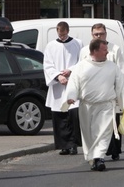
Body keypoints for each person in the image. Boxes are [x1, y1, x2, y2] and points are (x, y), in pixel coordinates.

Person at [66, 39, 124, 172]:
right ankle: (92, 158)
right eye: (104, 50)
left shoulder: (112, 67)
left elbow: (121, 86)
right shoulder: (81, 66)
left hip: (106, 106)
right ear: (95, 51)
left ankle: (99, 158)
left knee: (104, 133)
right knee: (89, 134)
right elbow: (73, 83)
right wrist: (71, 97)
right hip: (87, 106)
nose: (107, 52)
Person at [78, 23, 124, 161]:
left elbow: (122, 72)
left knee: (112, 123)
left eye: (101, 33)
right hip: (92, 95)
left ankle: (114, 150)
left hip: (110, 93)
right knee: (94, 126)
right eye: (96, 34)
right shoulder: (84, 51)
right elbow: (80, 72)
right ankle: (96, 154)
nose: (99, 36)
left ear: (106, 34)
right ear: (92, 35)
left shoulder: (114, 49)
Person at [43, 21, 83, 156]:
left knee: (73, 116)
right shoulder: (51, 46)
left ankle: (73, 145)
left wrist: (70, 70)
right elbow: (47, 65)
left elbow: (82, 62)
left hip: (73, 84)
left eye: (64, 34)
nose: (62, 37)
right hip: (58, 86)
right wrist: (58, 76)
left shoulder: (77, 43)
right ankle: (63, 145)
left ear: (68, 31)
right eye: (60, 35)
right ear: (57, 31)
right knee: (59, 116)